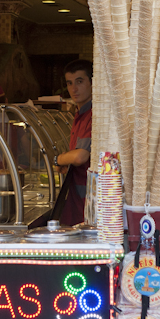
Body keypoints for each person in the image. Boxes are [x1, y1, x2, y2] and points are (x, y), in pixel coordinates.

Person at [56, 59, 92, 226]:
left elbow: (80, 156)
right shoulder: (79, 114)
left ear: (92, 82)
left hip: (90, 201)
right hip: (78, 199)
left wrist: (59, 159)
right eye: (69, 83)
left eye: (80, 81)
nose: (74, 89)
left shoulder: (94, 114)